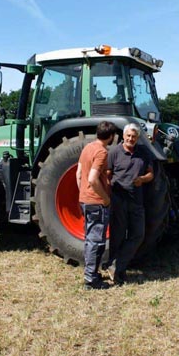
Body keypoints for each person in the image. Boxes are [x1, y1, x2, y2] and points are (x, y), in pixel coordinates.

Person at [106, 123, 154, 284]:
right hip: (119, 199)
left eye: (134, 136)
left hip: (136, 200)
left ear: (137, 138)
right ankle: (117, 270)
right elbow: (107, 174)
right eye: (128, 136)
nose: (131, 139)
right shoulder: (114, 152)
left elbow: (150, 174)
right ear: (124, 136)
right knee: (117, 236)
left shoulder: (144, 153)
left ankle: (116, 266)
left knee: (138, 234)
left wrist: (142, 179)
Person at [77, 121, 117, 290]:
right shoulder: (101, 152)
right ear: (111, 136)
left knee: (90, 239)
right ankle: (91, 279)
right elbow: (93, 178)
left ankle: (91, 273)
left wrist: (83, 193)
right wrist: (105, 199)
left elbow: (79, 174)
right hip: (96, 202)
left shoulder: (88, 147)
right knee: (96, 241)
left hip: (85, 200)